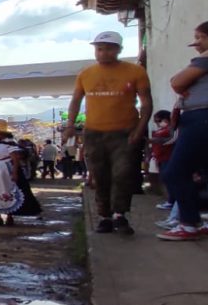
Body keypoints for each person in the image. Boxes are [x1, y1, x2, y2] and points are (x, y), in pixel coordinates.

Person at [64, 31, 152, 235]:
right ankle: (104, 217)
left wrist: (140, 129)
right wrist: (70, 125)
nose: (103, 53)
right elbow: (76, 100)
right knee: (100, 176)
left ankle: (120, 215)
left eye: (108, 48)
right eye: (99, 49)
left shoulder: (135, 71)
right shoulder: (86, 74)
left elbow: (146, 104)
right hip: (94, 133)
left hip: (125, 132)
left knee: (123, 174)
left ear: (119, 50)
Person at [157, 21, 208, 241]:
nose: (195, 43)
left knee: (175, 172)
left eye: (200, 37)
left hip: (200, 116)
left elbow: (178, 82)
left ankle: (188, 224)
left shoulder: (205, 59)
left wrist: (184, 84)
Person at [0, 120, 42, 226]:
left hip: (4, 170)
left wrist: (14, 172)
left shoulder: (9, 143)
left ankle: (9, 215)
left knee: (6, 189)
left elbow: (15, 158)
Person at [149, 110, 175, 209]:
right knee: (165, 179)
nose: (157, 123)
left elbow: (170, 140)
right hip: (160, 158)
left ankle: (172, 201)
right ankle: (171, 200)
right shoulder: (161, 130)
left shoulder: (171, 129)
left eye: (158, 121)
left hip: (168, 157)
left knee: (169, 179)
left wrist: (155, 140)